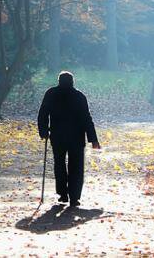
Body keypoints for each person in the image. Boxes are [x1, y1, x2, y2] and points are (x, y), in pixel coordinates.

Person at [37, 71, 100, 207]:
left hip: (57, 135)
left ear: (59, 81)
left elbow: (43, 113)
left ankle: (63, 194)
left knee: (59, 164)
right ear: (72, 82)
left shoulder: (51, 94)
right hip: (76, 137)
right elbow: (86, 118)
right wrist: (93, 139)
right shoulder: (79, 96)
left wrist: (43, 131)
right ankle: (74, 197)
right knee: (76, 167)